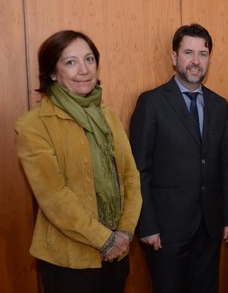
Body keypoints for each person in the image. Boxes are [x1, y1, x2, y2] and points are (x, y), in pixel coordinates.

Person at [15, 30, 142, 293]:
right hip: (69, 262)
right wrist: (105, 240)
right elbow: (54, 198)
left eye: (89, 59)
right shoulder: (33, 126)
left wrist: (124, 234)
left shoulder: (107, 115)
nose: (83, 70)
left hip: (118, 254)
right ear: (52, 72)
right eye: (70, 62)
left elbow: (130, 176)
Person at [129, 24, 228, 293]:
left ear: (209, 59)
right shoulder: (151, 102)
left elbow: (226, 165)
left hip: (209, 226)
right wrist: (147, 224)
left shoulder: (218, 105)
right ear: (174, 57)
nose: (195, 61)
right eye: (188, 52)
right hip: (166, 230)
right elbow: (138, 170)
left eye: (202, 54)